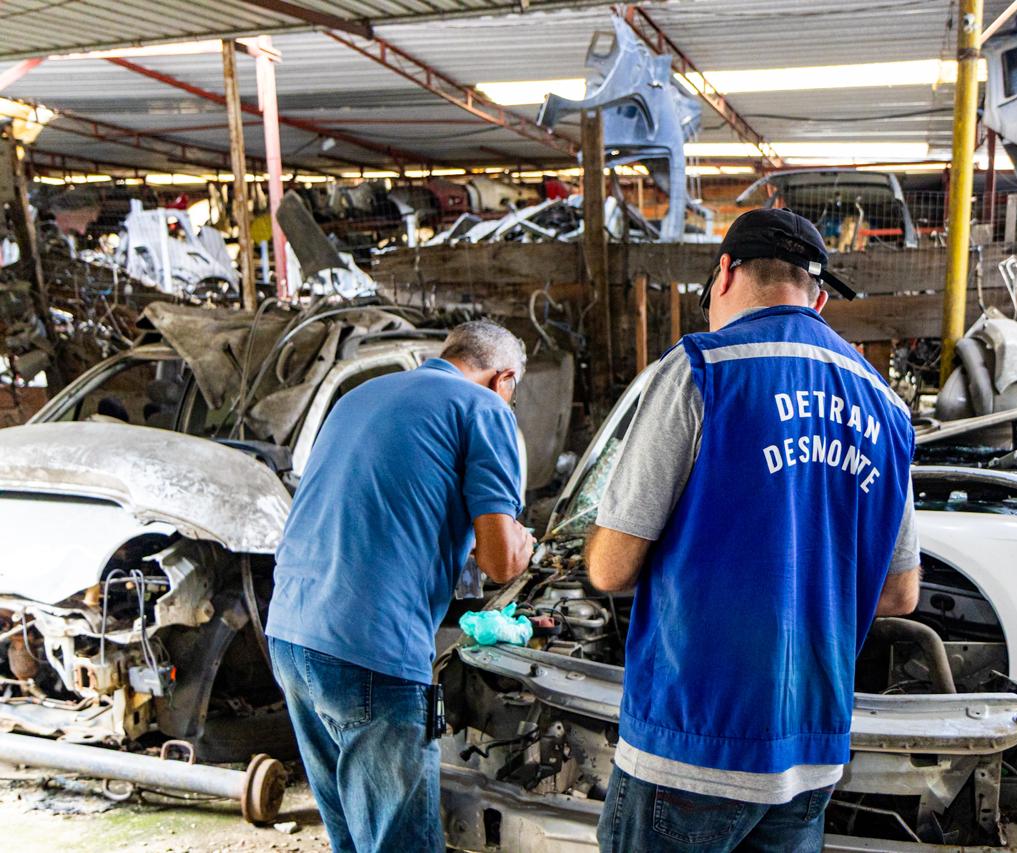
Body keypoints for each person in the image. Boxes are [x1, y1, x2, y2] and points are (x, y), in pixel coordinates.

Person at [586, 208, 921, 853]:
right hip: (811, 751)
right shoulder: (885, 405)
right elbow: (899, 593)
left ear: (724, 274)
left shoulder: (700, 369)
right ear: (818, 298)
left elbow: (610, 567)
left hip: (691, 743)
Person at [265, 319, 535, 853]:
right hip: (371, 654)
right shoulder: (483, 409)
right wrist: (523, 545)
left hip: (291, 637)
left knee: (354, 838)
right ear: (503, 379)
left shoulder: (361, 396)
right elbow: (502, 562)